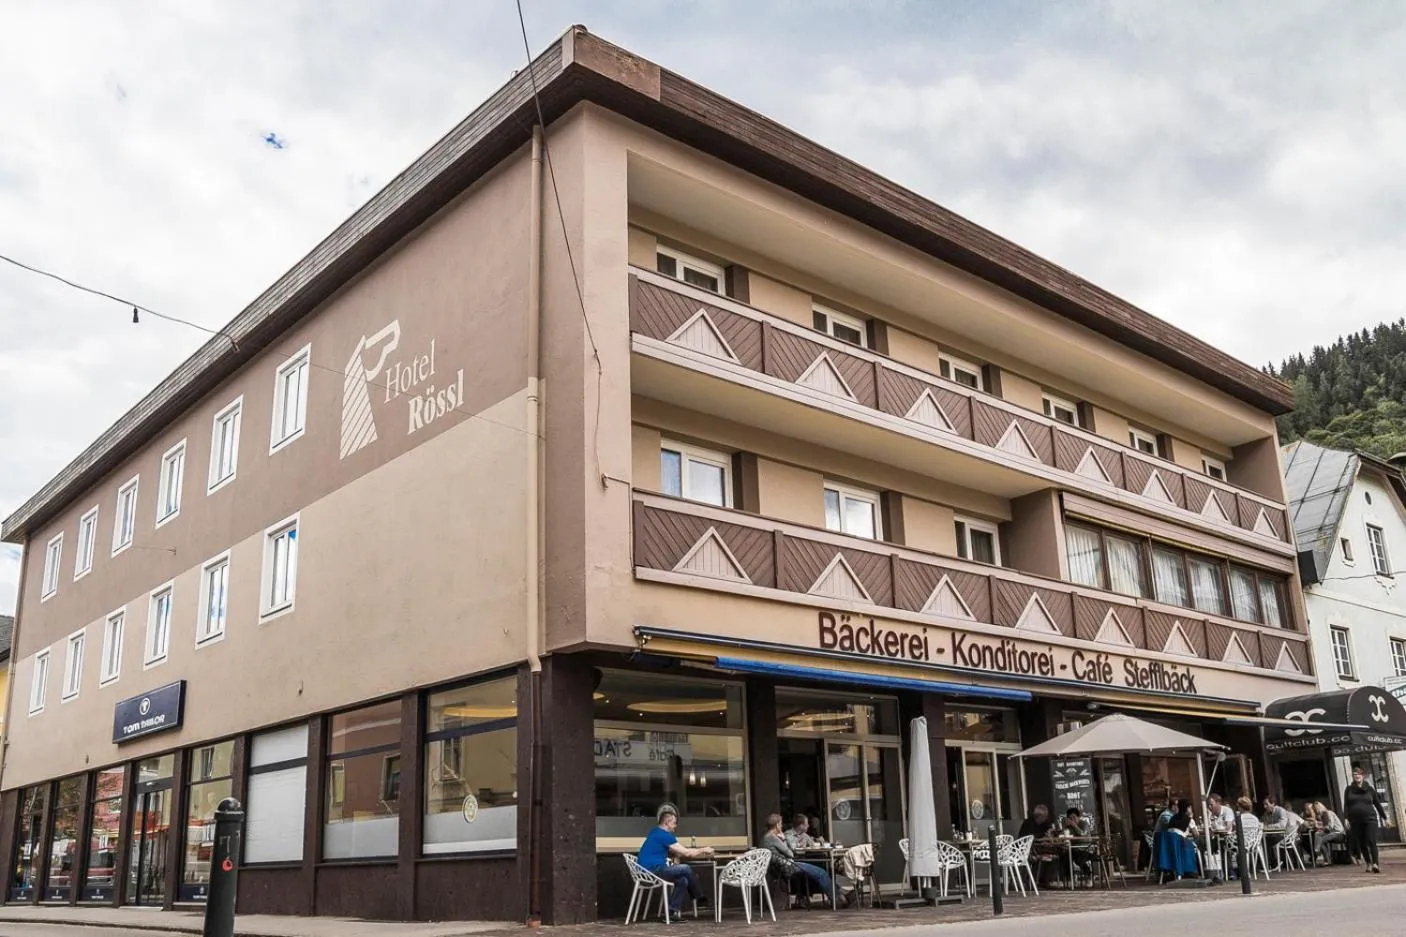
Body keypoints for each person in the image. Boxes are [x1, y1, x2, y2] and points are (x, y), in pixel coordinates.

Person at [762, 813, 854, 908]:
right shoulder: (773, 838)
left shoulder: (766, 838)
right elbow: (790, 853)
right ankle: (838, 900)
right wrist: (784, 839)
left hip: (781, 866)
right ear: (777, 825)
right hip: (788, 866)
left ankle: (840, 895)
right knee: (821, 872)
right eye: (780, 824)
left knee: (820, 870)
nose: (781, 826)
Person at [637, 803, 712, 919]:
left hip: (644, 871)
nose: (675, 826)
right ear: (667, 822)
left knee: (682, 881)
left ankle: (671, 912)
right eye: (673, 823)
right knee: (685, 868)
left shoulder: (654, 832)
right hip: (652, 870)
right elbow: (687, 853)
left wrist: (677, 855)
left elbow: (671, 850)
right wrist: (703, 849)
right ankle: (699, 898)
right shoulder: (665, 835)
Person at [1344, 763, 1388, 873]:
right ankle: (1368, 863)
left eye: (1358, 774)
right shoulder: (1349, 789)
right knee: (1362, 843)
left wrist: (1384, 817)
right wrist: (1346, 818)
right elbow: (1346, 805)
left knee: (1371, 840)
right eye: (1355, 775)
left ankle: (1375, 864)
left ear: (1363, 776)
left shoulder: (1370, 789)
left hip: (1370, 819)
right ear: (1353, 777)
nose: (1357, 776)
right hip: (1355, 820)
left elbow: (1377, 804)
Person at [1018, 805, 1059, 885]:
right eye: (1045, 816)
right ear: (1040, 816)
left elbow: (1049, 831)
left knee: (1055, 855)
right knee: (1046, 856)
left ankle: (1046, 880)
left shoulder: (1044, 824)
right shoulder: (1028, 823)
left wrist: (1050, 833)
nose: (1046, 818)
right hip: (1027, 850)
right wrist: (1042, 838)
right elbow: (1027, 838)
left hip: (1039, 847)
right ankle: (1038, 881)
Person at [1313, 801, 1345, 867]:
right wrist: (1319, 829)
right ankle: (1318, 852)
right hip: (1331, 833)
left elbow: (1330, 827)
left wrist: (1319, 827)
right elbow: (1326, 829)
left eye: (1316, 809)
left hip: (1338, 833)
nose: (1316, 811)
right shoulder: (1323, 815)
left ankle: (1324, 858)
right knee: (1317, 834)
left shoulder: (1329, 813)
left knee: (1321, 839)